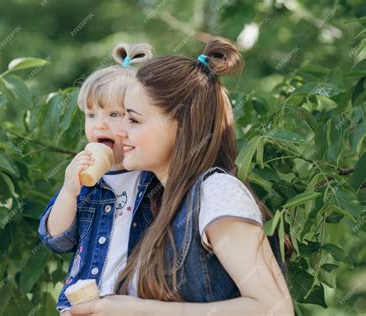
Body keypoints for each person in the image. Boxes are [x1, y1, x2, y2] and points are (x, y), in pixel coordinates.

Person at [70, 37, 294, 316]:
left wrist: (138, 311)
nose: (120, 131)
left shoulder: (216, 192)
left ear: (181, 125)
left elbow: (275, 309)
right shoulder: (156, 204)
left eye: (133, 119)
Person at [37, 43, 159, 315]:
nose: (99, 125)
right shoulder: (85, 182)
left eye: (114, 115)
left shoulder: (151, 175)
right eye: (91, 115)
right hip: (84, 304)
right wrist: (69, 192)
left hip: (136, 304)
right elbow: (56, 240)